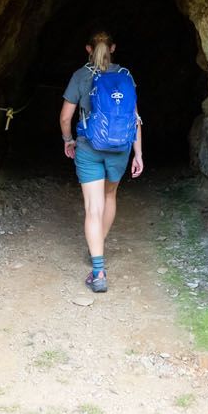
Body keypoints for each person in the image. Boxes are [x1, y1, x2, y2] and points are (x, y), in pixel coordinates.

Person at [59, 29, 144, 293]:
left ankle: (98, 270)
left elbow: (64, 117)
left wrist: (68, 139)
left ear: (88, 49)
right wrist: (138, 153)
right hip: (120, 149)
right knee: (109, 197)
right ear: (113, 48)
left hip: (89, 147)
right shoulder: (125, 76)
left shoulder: (81, 76)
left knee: (92, 208)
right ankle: (98, 245)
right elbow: (134, 118)